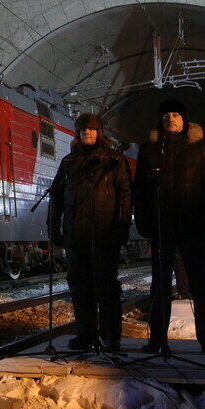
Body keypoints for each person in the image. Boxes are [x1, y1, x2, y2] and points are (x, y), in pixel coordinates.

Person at [134, 99, 205, 355]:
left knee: (200, 284)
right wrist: (143, 221)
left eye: (175, 115)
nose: (170, 119)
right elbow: (140, 190)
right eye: (165, 116)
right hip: (161, 227)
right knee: (159, 286)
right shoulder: (149, 151)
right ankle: (157, 339)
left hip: (192, 227)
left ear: (184, 120)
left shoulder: (202, 149)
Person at [48, 112, 132, 352]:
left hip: (104, 234)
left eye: (92, 129)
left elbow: (125, 195)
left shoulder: (114, 160)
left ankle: (110, 336)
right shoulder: (68, 162)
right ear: (78, 133)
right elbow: (56, 196)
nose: (87, 132)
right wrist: (53, 227)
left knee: (106, 287)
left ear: (100, 132)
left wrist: (121, 227)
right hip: (76, 234)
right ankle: (86, 334)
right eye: (83, 129)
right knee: (79, 287)